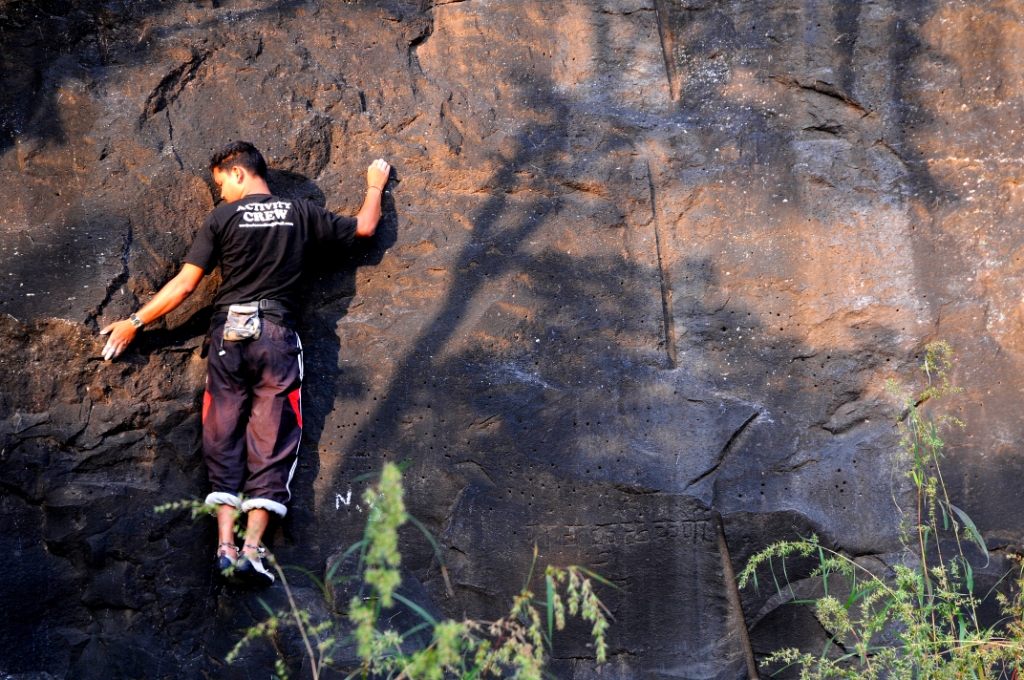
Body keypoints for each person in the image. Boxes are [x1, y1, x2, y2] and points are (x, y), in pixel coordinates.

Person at [101, 141, 391, 587]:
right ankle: (252, 551)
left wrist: (134, 322)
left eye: (220, 184)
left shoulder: (221, 219)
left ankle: (223, 547)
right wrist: (375, 184)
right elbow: (366, 227)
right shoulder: (301, 211)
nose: (220, 196)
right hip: (276, 335)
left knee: (222, 434)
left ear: (237, 172)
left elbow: (184, 284)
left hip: (228, 339)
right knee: (273, 437)